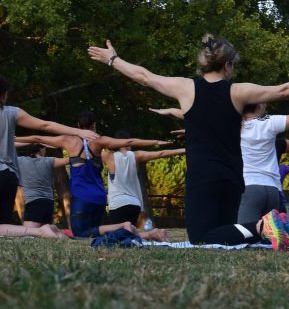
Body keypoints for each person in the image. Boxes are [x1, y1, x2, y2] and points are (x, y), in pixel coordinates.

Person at [87, 35, 289, 245]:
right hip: (233, 178)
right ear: (227, 65)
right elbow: (284, 90)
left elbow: (144, 77)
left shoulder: (185, 88)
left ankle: (264, 226)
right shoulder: (238, 91)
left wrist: (113, 60)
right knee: (228, 237)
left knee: (201, 238)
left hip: (204, 177)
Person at [152, 103, 289, 225]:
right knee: (271, 239)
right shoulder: (269, 123)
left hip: (249, 189)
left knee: (244, 237)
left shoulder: (229, 126)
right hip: (273, 191)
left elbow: (195, 116)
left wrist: (171, 111)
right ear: (259, 106)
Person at [17, 112, 170, 238]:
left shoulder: (68, 140)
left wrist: (13, 139)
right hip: (99, 197)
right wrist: (156, 141)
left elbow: (37, 138)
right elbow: (128, 141)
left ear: (78, 126)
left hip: (82, 197)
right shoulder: (100, 141)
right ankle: (149, 234)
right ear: (94, 125)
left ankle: (123, 227)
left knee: (80, 234)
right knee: (96, 233)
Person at [0, 76, 98, 224]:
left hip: (8, 176)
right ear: (3, 95)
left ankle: (41, 232)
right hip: (8, 175)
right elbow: (46, 125)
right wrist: (78, 131)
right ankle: (45, 231)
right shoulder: (11, 112)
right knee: (3, 224)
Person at [101, 131, 185, 238]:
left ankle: (152, 234)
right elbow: (161, 153)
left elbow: (92, 147)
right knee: (128, 236)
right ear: (129, 143)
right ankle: (154, 234)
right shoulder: (137, 155)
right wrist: (185, 149)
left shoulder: (109, 156)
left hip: (118, 203)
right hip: (134, 204)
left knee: (116, 237)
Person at [17, 143, 67, 228]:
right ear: (40, 149)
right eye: (44, 148)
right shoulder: (50, 161)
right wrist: (61, 145)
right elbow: (73, 159)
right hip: (49, 202)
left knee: (29, 234)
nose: (46, 150)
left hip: (34, 201)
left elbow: (5, 148)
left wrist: (27, 141)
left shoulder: (20, 161)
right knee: (44, 234)